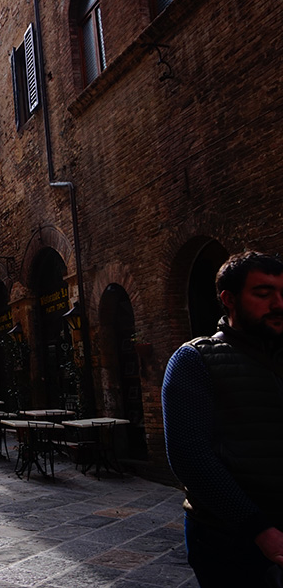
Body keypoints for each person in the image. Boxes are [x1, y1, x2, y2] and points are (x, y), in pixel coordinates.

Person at [162, 251, 283, 586]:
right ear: (229, 299)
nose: (278, 304)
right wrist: (259, 529)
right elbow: (190, 457)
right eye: (263, 293)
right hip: (229, 539)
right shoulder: (193, 360)